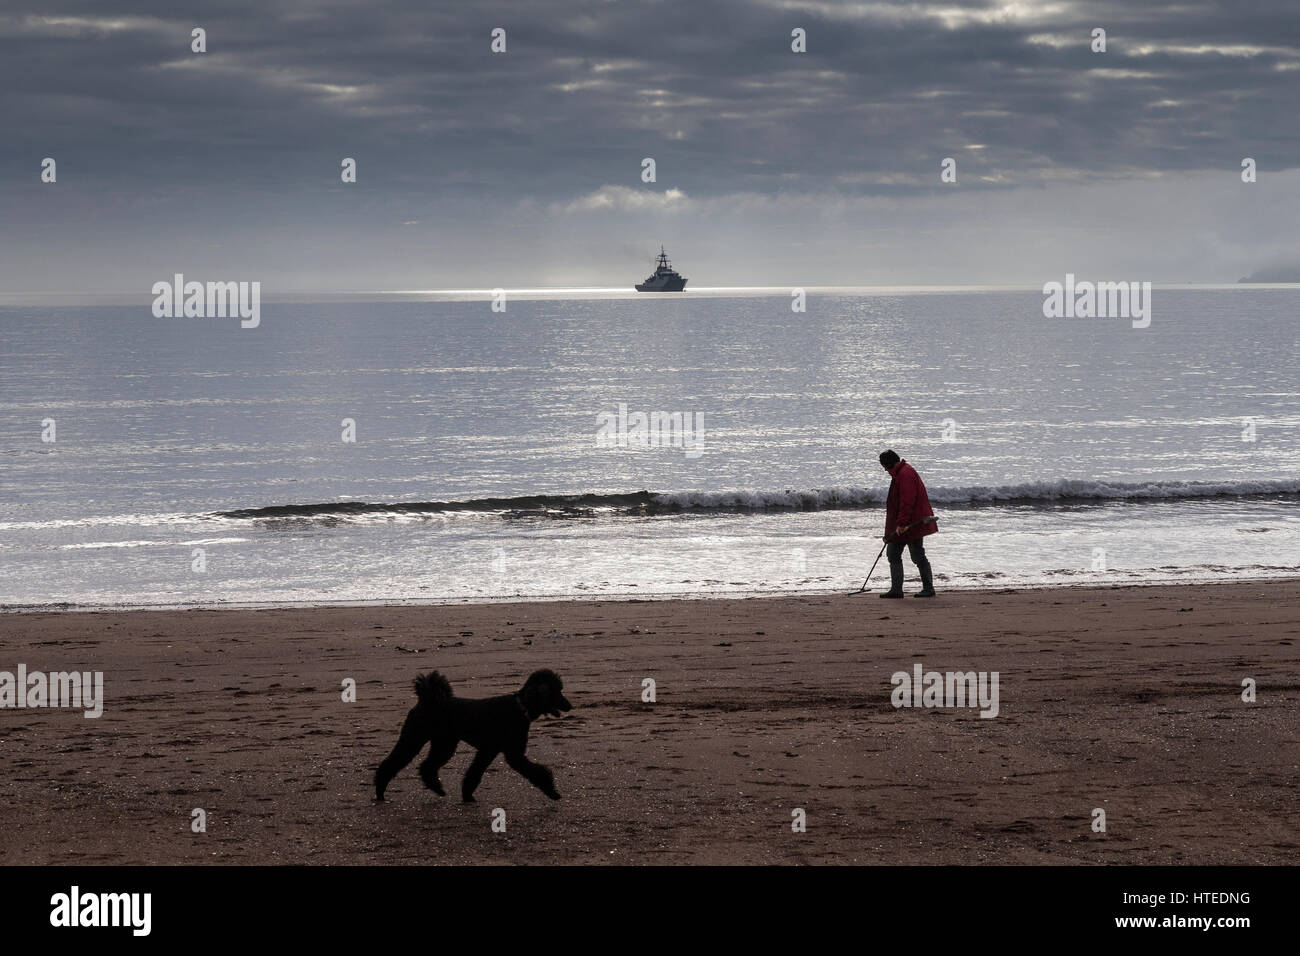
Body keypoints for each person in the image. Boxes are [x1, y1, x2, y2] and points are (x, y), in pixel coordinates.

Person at [878, 450, 938, 598]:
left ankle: (928, 588)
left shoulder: (905, 474)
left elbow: (907, 502)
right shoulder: (901, 472)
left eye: (885, 466)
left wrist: (901, 524)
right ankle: (896, 590)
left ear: (891, 463)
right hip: (903, 523)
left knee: (917, 555)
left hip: (911, 524)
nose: (885, 470)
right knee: (893, 554)